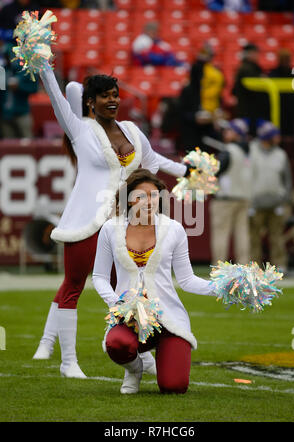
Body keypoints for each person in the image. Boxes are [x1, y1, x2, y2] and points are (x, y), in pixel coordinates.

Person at [32, 69, 190, 379]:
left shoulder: (131, 130)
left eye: (116, 95)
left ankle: (139, 354)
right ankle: (68, 362)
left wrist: (169, 181)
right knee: (73, 287)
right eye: (105, 96)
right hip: (85, 223)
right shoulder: (80, 130)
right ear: (91, 102)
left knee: (131, 287)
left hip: (120, 226)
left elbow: (152, 163)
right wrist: (43, 65)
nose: (113, 100)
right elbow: (57, 97)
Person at [92, 168, 217, 394]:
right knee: (117, 344)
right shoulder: (111, 229)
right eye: (140, 196)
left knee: (174, 386)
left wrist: (223, 288)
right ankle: (134, 370)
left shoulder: (174, 230)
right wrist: (118, 303)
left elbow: (187, 280)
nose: (148, 201)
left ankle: (166, 352)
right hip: (129, 318)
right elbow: (99, 277)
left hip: (167, 317)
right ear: (129, 200)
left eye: (153, 195)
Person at [249, 120, 293, 272]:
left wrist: (284, 200)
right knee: (254, 238)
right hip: (256, 202)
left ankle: (280, 266)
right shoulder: (251, 151)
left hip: (276, 203)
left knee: (277, 237)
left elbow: (287, 179)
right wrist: (249, 201)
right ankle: (254, 268)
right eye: (275, 135)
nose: (278, 138)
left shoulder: (281, 154)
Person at [210, 118, 251, 265]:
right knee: (242, 234)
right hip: (243, 198)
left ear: (237, 134)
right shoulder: (248, 152)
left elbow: (215, 172)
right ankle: (244, 266)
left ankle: (219, 267)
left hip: (225, 199)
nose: (226, 132)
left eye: (230, 130)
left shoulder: (229, 151)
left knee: (221, 234)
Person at [177, 44, 225, 152]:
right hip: (190, 132)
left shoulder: (204, 90)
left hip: (205, 130)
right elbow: (182, 113)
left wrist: (214, 117)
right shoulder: (188, 90)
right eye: (201, 75)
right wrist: (195, 118)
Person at [0, 41, 38, 138]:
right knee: (9, 146)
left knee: (27, 142)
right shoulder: (2, 71)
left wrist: (19, 86)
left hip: (22, 112)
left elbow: (34, 88)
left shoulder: (23, 70)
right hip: (5, 114)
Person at [232, 43, 269, 136]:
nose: (257, 55)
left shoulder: (253, 67)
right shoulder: (246, 69)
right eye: (254, 53)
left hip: (253, 109)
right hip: (249, 109)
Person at [268, 49, 294, 137]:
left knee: (291, 135)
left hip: (291, 111)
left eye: (287, 59)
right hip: (276, 110)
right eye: (283, 59)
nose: (285, 61)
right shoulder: (273, 74)